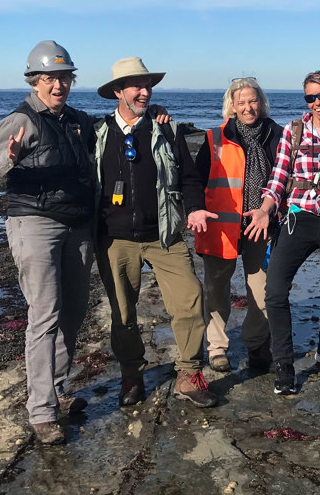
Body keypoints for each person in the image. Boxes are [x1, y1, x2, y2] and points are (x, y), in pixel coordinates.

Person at [0, 40, 94, 445]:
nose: (58, 85)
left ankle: (58, 392)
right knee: (45, 315)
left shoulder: (77, 121)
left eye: (64, 77)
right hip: (35, 223)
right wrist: (9, 157)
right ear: (35, 81)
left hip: (77, 225)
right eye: (49, 78)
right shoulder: (21, 119)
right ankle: (41, 411)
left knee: (74, 313)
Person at [93, 56, 219, 408]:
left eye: (148, 86)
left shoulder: (167, 129)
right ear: (118, 91)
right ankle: (132, 375)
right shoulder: (96, 132)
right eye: (136, 86)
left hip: (165, 236)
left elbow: (189, 178)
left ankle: (189, 373)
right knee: (122, 313)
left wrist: (193, 208)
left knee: (190, 300)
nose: (144, 92)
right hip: (115, 239)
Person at [245, 71, 320, 395]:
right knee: (275, 292)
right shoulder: (293, 132)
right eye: (310, 98)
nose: (316, 103)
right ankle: (284, 365)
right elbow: (278, 178)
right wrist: (266, 209)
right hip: (298, 219)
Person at [194, 77, 283, 373]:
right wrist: (194, 211)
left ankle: (256, 344)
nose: (248, 107)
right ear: (231, 106)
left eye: (252, 101)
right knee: (216, 290)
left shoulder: (277, 135)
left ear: (262, 102)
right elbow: (195, 182)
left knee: (263, 292)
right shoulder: (214, 138)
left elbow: (287, 180)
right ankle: (217, 347)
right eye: (241, 102)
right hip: (222, 228)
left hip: (262, 226)